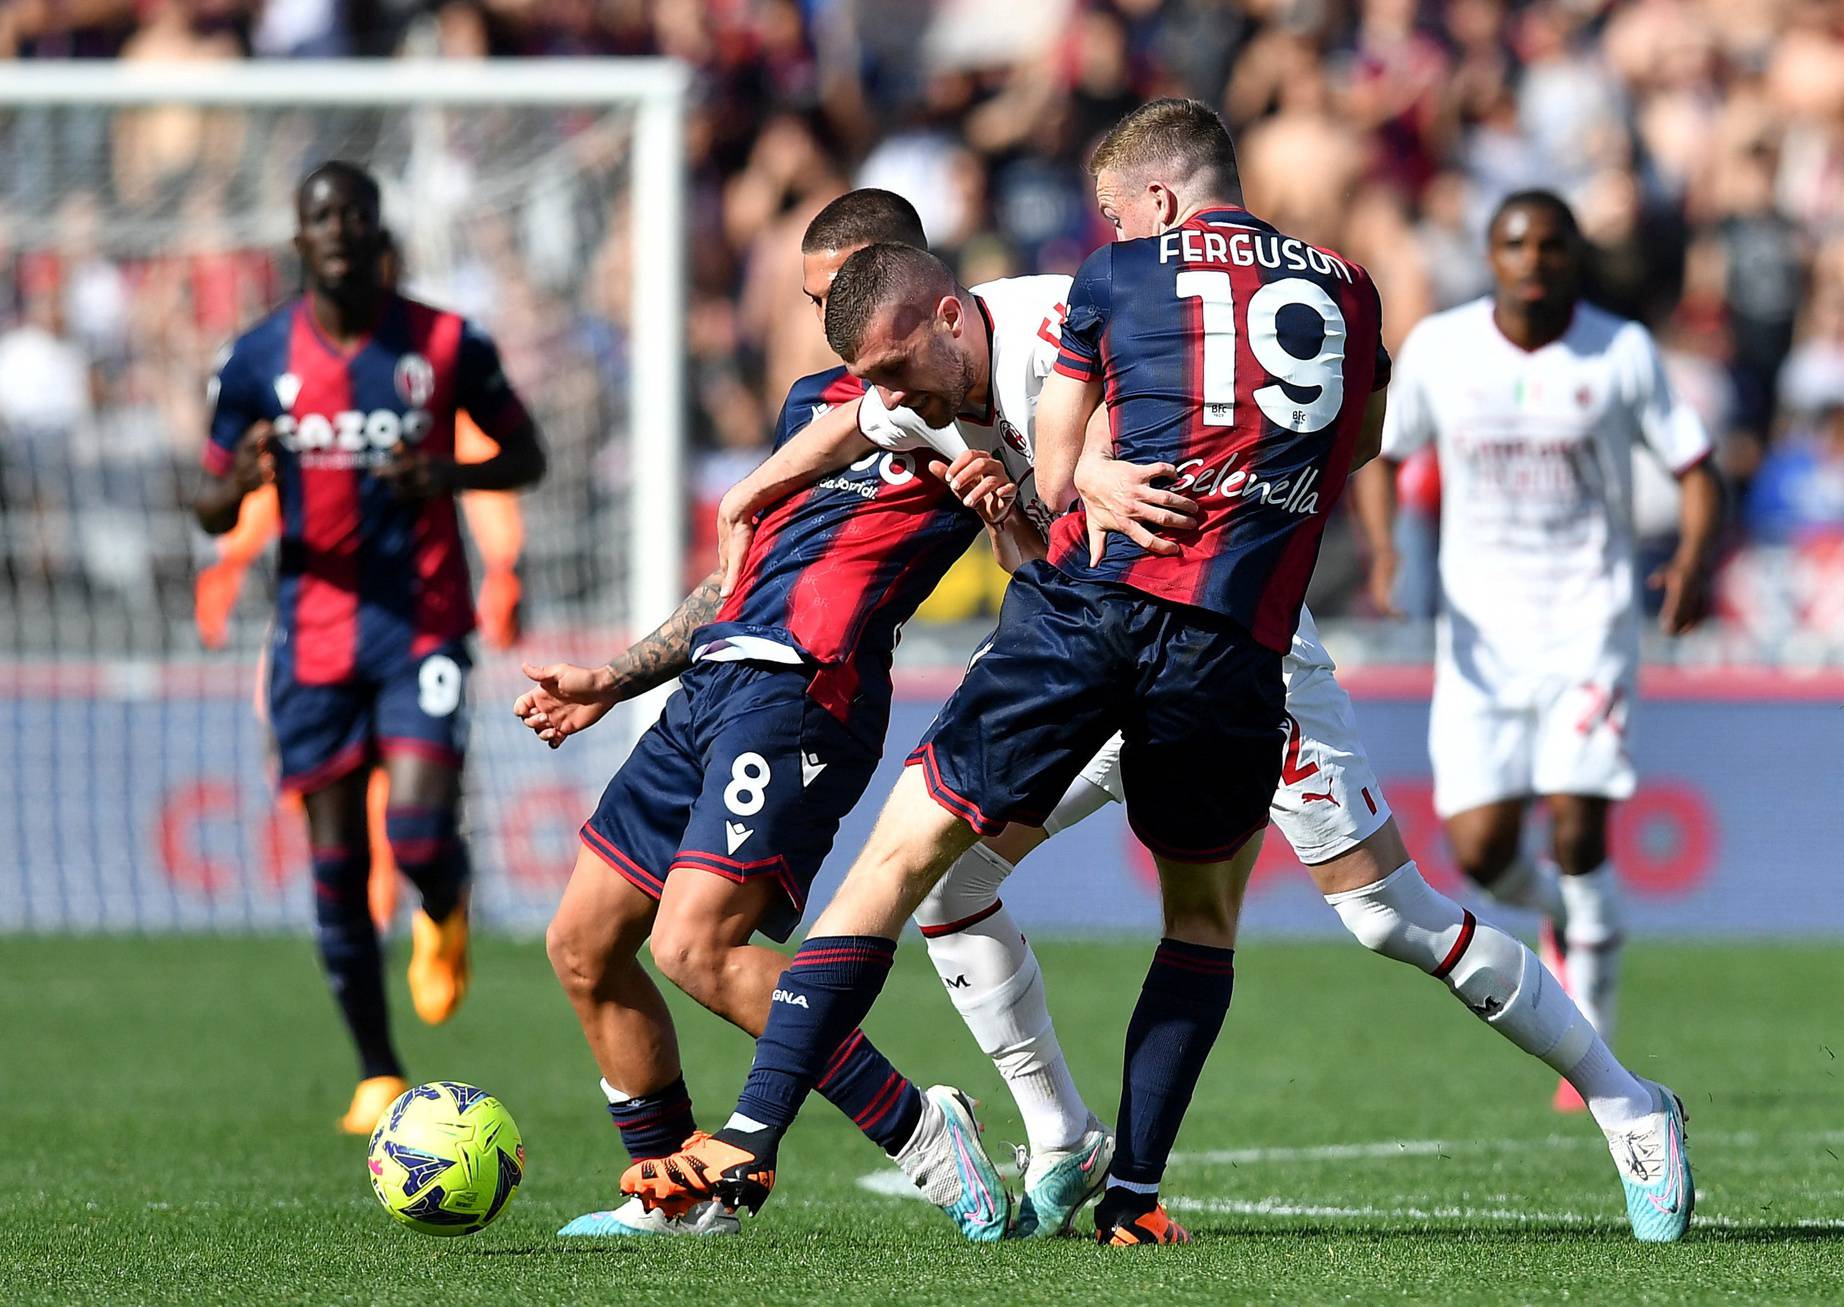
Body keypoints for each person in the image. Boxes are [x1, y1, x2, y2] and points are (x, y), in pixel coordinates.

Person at [634, 99, 1696, 1248]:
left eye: (1112, 210)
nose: (888, 397)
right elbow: (865, 432)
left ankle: (1627, 1100)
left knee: (1388, 914)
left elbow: (1077, 447)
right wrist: (760, 492)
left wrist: (1080, 471)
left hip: (1239, 650)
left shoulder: (1079, 300)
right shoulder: (932, 386)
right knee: (942, 880)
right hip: (1105, 637)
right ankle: (1065, 1140)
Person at [516, 188, 1033, 1241]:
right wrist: (616, 677)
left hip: (809, 689)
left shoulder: (956, 398)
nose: (828, 323)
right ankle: (679, 1194)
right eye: (813, 301)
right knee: (582, 942)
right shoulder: (811, 402)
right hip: (714, 681)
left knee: (695, 944)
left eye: (842, 295)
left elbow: (1034, 543)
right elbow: (742, 572)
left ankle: (926, 1132)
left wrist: (1008, 503)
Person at [191, 161, 547, 1134]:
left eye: (355, 213)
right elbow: (209, 495)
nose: (339, 229)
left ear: (379, 232)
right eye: (320, 216)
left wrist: (449, 470)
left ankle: (447, 897)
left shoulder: (443, 342)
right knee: (336, 865)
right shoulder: (258, 356)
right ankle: (378, 1068)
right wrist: (241, 483)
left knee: (419, 834)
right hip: (312, 635)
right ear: (298, 240)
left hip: (422, 620)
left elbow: (528, 453)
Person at [1353, 190, 1721, 1111]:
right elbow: (1383, 453)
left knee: (1579, 822)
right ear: (1493, 253)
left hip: (1588, 622)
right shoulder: (1444, 348)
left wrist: (1690, 560)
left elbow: (1696, 465)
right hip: (1480, 633)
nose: (1535, 260)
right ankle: (1562, 913)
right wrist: (1392, 547)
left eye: (1553, 245)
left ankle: (1592, 1031)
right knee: (1479, 850)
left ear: (1573, 257)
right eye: (1517, 244)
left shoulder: (1619, 350)